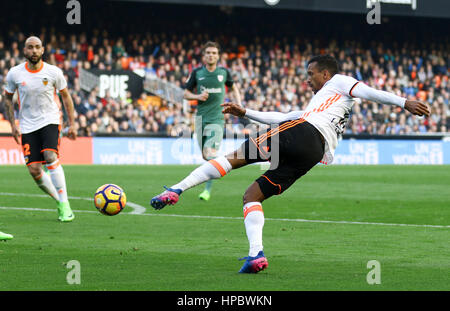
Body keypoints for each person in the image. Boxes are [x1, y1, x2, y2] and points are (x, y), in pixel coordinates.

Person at [150, 55, 430, 273]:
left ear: (325, 73)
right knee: (252, 196)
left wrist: (403, 102)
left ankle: (176, 189)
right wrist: (245, 111)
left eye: (310, 74)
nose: (307, 79)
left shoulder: (339, 81)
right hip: (312, 151)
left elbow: (367, 91)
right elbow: (282, 116)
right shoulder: (322, 104)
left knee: (233, 158)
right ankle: (256, 254)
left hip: (303, 131)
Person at [3, 36, 77, 222]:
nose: (34, 51)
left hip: (50, 120)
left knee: (51, 157)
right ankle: (60, 202)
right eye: (30, 48)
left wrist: (72, 123)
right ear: (25, 50)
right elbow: (7, 98)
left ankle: (65, 204)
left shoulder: (53, 72)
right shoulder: (15, 74)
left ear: (43, 50)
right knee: (35, 171)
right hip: (27, 126)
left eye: (37, 47)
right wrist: (13, 125)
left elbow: (66, 97)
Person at [182, 41, 241, 201]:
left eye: (214, 53)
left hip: (217, 119)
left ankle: (207, 191)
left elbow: (233, 87)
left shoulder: (224, 72)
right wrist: (197, 97)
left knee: (209, 153)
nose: (211, 55)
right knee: (205, 156)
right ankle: (220, 164)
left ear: (218, 56)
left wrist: (238, 105)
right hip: (201, 120)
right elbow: (185, 93)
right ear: (204, 55)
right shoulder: (197, 73)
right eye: (208, 52)